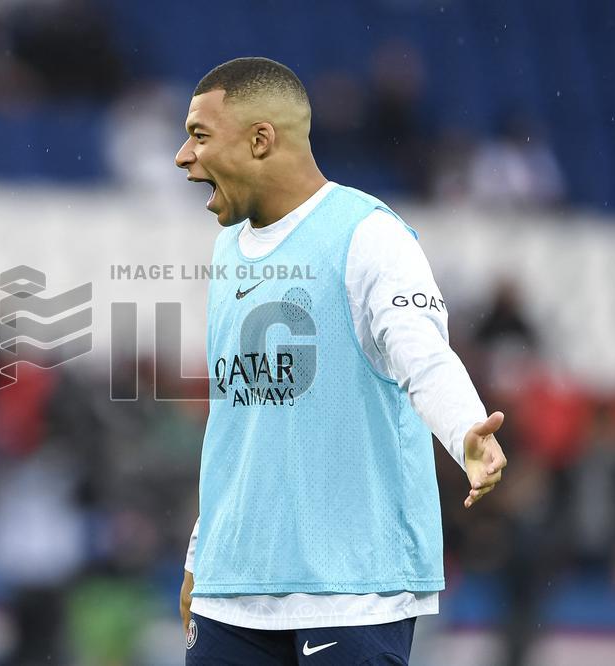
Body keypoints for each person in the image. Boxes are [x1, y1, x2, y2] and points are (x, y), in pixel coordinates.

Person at [174, 57, 507, 665]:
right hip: (232, 591)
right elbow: (238, 424)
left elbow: (424, 355)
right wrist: (203, 553)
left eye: (198, 136)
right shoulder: (227, 250)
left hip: (352, 590)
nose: (181, 156)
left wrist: (465, 431)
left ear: (259, 139)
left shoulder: (369, 234)